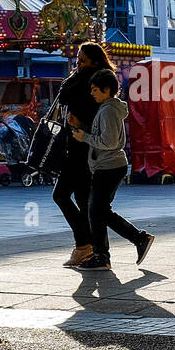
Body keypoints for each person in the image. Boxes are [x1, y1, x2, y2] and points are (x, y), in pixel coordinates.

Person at [69, 68, 153, 271]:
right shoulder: (108, 108)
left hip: (109, 166)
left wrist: (84, 137)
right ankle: (134, 241)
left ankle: (105, 254)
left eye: (95, 90)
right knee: (98, 211)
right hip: (107, 166)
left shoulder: (108, 110)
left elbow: (109, 141)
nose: (92, 93)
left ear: (107, 90)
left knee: (96, 211)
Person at [53, 41, 112, 267]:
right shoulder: (81, 80)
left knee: (62, 195)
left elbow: (97, 116)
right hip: (75, 146)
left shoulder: (93, 83)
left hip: (83, 149)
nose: (78, 65)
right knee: (82, 199)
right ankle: (92, 250)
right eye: (77, 60)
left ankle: (85, 246)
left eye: (82, 61)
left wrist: (83, 124)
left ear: (94, 62)